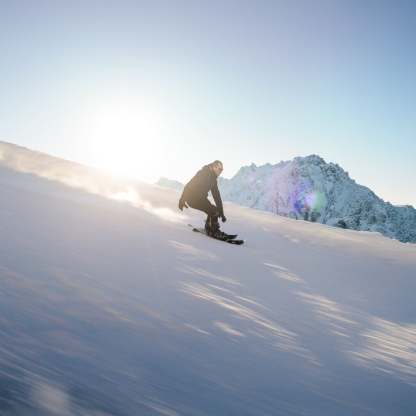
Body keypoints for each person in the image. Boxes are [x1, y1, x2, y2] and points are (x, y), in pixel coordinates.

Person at [178, 160, 227, 237]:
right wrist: (182, 200)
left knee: (215, 210)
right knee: (213, 211)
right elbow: (189, 185)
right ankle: (214, 231)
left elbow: (216, 196)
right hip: (192, 198)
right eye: (219, 169)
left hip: (201, 199)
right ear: (214, 167)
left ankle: (209, 228)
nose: (220, 172)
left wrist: (221, 212)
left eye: (222, 170)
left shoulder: (213, 179)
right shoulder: (203, 173)